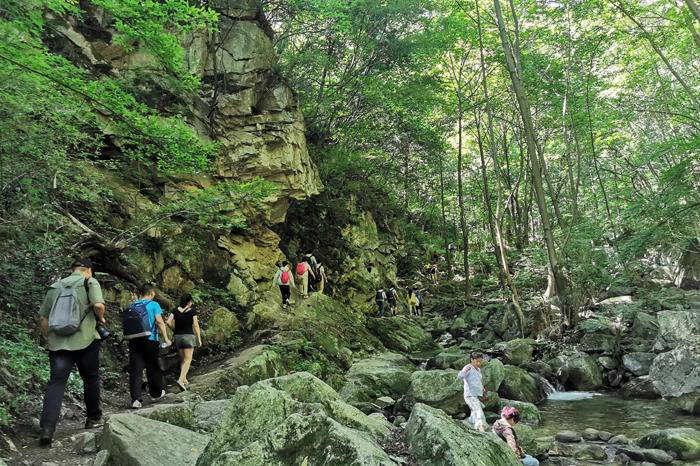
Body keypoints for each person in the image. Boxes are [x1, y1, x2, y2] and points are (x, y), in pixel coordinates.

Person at [37, 258, 107, 446]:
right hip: (86, 341)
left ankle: (47, 428)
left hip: (58, 344)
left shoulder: (55, 286)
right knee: (90, 377)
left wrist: (48, 338)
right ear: (89, 270)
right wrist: (101, 318)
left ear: (72, 269)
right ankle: (93, 418)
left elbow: (44, 318)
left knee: (56, 384)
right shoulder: (89, 282)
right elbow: (99, 305)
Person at [126, 284, 171, 409]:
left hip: (134, 340)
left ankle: (136, 400)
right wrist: (166, 338)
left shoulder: (132, 305)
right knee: (153, 367)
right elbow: (160, 322)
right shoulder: (154, 305)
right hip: (150, 340)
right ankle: (155, 394)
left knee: (136, 370)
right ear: (151, 293)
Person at [166, 293, 202, 392]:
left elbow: (168, 322)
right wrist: (199, 338)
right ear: (189, 302)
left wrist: (174, 329)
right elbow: (195, 325)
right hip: (188, 337)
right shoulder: (192, 311)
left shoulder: (175, 310)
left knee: (182, 359)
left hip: (177, 337)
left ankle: (184, 379)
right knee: (188, 359)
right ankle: (181, 380)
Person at [457, 352, 488, 432]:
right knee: (478, 410)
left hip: (476, 394)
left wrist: (483, 390)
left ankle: (470, 424)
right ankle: (481, 428)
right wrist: (464, 371)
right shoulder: (468, 367)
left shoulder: (478, 369)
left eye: (480, 361)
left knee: (475, 410)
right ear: (472, 359)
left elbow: (478, 381)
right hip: (469, 394)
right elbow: (460, 376)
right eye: (477, 361)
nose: (479, 363)